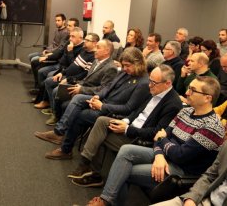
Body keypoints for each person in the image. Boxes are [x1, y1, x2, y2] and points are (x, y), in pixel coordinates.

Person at [86, 76, 225, 206]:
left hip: (182, 171)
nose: (187, 93)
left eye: (193, 90)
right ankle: (107, 200)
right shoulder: (186, 111)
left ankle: (106, 201)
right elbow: (158, 137)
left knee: (125, 171)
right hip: (166, 158)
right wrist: (159, 154)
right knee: (126, 150)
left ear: (207, 98)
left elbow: (180, 155)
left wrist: (163, 140)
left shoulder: (211, 126)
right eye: (189, 88)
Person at [68, 65, 182, 187]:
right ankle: (86, 163)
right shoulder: (155, 90)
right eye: (150, 80)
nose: (149, 85)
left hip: (139, 139)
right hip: (131, 126)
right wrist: (126, 121)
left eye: (154, 82)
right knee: (101, 121)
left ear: (167, 83)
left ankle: (94, 174)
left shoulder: (173, 104)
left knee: (100, 136)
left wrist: (127, 129)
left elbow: (156, 133)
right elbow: (137, 111)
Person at [35, 47, 150, 159]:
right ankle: (59, 133)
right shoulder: (126, 73)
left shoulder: (143, 83)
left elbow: (128, 108)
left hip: (112, 112)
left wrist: (102, 106)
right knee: (78, 99)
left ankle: (65, 148)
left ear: (138, 63)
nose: (124, 68)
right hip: (103, 102)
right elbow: (108, 88)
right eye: (123, 65)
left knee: (79, 115)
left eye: (127, 66)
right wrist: (97, 96)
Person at [46, 39, 118, 126]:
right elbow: (87, 78)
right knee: (57, 90)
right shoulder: (96, 61)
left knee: (66, 103)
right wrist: (79, 84)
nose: (95, 49)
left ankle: (61, 128)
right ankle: (57, 117)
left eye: (98, 47)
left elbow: (103, 89)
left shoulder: (111, 68)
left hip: (93, 96)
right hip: (83, 86)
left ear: (106, 51)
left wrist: (81, 89)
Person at [151, 141, 227, 206]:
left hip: (182, 169)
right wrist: (192, 197)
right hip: (203, 198)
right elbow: (210, 175)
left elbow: (179, 155)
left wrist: (162, 139)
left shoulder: (213, 128)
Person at [41, 33, 98, 117]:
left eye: (87, 40)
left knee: (55, 91)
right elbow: (73, 64)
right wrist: (62, 73)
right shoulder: (84, 50)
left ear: (94, 43)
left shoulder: (93, 57)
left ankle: (56, 115)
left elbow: (84, 75)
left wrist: (68, 79)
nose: (84, 42)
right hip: (68, 76)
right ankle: (53, 109)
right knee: (49, 81)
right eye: (85, 39)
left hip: (75, 81)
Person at [34, 27, 86, 109]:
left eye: (73, 36)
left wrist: (70, 51)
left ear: (80, 38)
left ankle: (49, 105)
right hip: (62, 68)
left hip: (70, 73)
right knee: (42, 72)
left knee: (49, 78)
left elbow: (73, 65)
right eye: (70, 36)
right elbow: (60, 53)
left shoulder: (82, 49)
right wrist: (48, 57)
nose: (70, 38)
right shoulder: (69, 42)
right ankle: (45, 101)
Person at [29, 14, 70, 91]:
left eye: (59, 20)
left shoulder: (65, 33)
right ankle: (37, 83)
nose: (56, 22)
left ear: (64, 21)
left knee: (34, 60)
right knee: (31, 56)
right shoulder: (56, 30)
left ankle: (37, 86)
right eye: (56, 20)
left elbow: (59, 48)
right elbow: (53, 43)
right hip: (50, 52)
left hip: (54, 55)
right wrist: (47, 50)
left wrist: (49, 52)